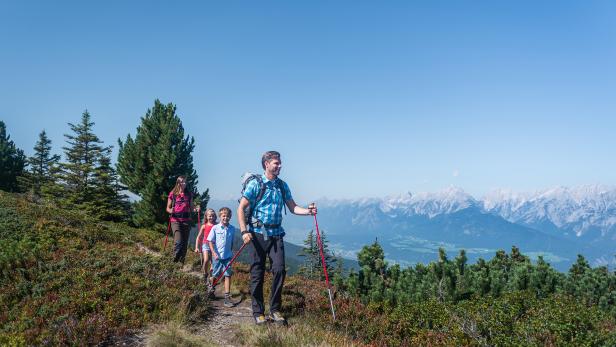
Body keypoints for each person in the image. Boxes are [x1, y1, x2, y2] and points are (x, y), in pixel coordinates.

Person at [237, 150, 317, 325]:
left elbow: (293, 207)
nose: (280, 166)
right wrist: (244, 231)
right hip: (257, 234)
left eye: (280, 163)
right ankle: (258, 312)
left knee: (279, 270)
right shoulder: (256, 184)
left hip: (277, 234)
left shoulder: (282, 185)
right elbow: (241, 208)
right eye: (276, 163)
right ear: (267, 164)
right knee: (257, 273)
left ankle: (275, 309)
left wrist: (308, 212)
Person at [208, 207, 237, 308]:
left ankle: (227, 297)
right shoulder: (215, 228)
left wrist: (231, 252)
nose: (226, 218)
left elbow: (232, 242)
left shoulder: (232, 229)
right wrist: (213, 252)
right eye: (224, 216)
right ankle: (211, 288)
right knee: (215, 275)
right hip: (217, 257)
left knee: (228, 275)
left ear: (230, 217)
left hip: (228, 256)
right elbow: (210, 241)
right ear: (220, 217)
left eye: (228, 216)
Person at [166, 176, 198, 264]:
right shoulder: (172, 194)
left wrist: (195, 209)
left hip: (186, 220)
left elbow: (191, 208)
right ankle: (173, 262)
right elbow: (167, 208)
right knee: (178, 242)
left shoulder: (189, 194)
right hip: (175, 220)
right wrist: (170, 210)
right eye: (182, 182)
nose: (184, 184)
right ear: (178, 183)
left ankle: (181, 264)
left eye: (185, 182)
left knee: (184, 244)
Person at [195, 208, 217, 283]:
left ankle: (211, 275)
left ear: (215, 217)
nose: (211, 217)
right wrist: (196, 247)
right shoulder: (204, 226)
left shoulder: (217, 225)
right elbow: (199, 237)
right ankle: (205, 273)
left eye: (213, 216)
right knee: (206, 259)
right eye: (210, 216)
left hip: (214, 246)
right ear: (206, 217)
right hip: (205, 244)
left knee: (213, 263)